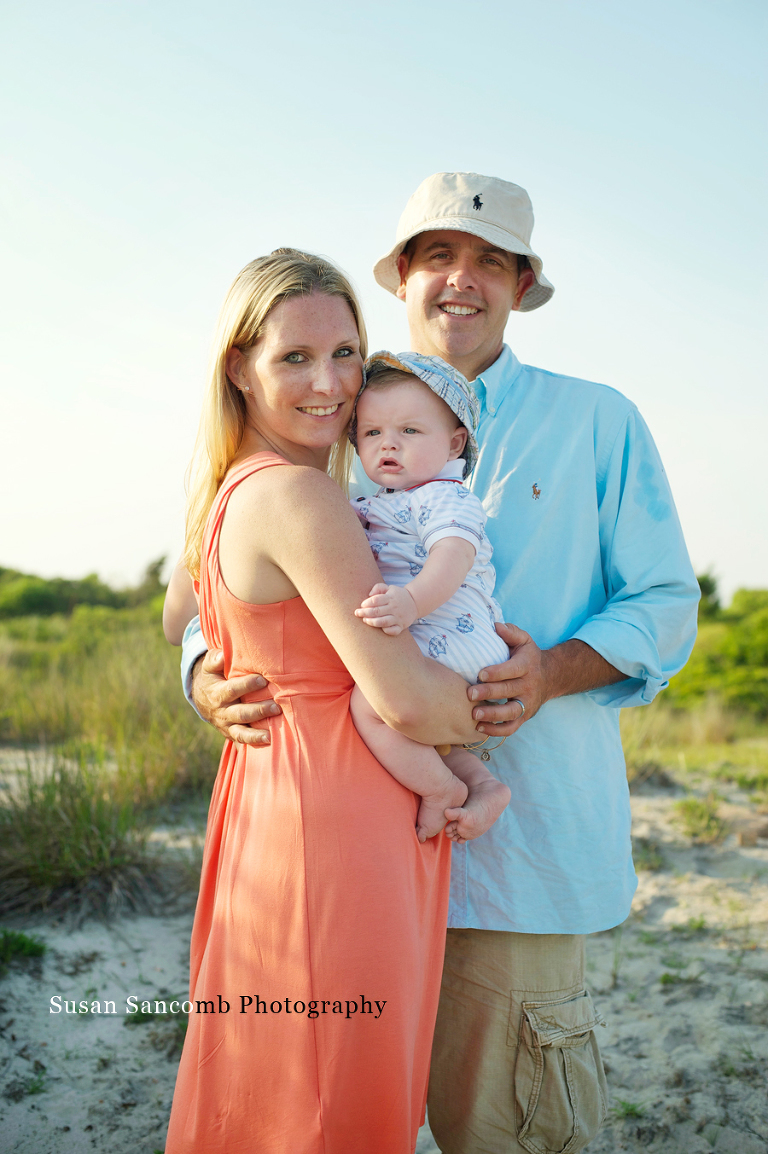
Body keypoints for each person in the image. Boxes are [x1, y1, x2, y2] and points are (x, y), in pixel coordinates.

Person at [178, 174, 700, 1154]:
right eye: (439, 256)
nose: (463, 279)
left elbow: (666, 603)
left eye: (491, 261)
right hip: (364, 853)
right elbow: (249, 577)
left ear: (521, 283)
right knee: (346, 1114)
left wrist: (551, 672)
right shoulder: (344, 420)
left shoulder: (597, 419)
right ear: (405, 276)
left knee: (504, 1127)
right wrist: (204, 668)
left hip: (521, 855)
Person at [162, 247, 483, 1154]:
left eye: (346, 353)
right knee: (334, 1093)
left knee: (272, 1080)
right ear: (239, 366)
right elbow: (408, 701)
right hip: (338, 825)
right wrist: (504, 700)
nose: (331, 382)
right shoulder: (303, 497)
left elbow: (177, 614)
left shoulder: (228, 492)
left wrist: (203, 670)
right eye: (295, 358)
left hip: (274, 804)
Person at [348, 350, 512, 844]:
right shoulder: (380, 504)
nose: (387, 445)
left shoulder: (445, 496)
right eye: (372, 433)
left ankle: (440, 790)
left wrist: (411, 603)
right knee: (430, 735)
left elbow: (452, 558)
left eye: (409, 431)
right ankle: (483, 786)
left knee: (371, 704)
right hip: (440, 637)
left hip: (451, 634)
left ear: (454, 443)